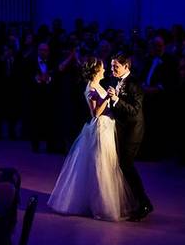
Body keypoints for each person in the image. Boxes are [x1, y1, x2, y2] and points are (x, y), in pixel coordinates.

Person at [48, 58, 134, 221]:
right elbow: (95, 113)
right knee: (99, 165)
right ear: (95, 71)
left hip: (107, 128)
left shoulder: (98, 85)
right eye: (102, 68)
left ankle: (105, 202)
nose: (104, 70)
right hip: (99, 129)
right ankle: (102, 206)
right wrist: (107, 98)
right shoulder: (90, 87)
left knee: (107, 164)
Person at [103, 53, 154, 220]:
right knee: (122, 165)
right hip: (121, 129)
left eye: (116, 66)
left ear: (126, 67)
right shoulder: (114, 79)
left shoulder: (134, 83)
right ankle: (132, 201)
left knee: (127, 165)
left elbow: (134, 110)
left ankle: (144, 202)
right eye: (111, 66)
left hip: (133, 131)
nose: (112, 69)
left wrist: (116, 99)